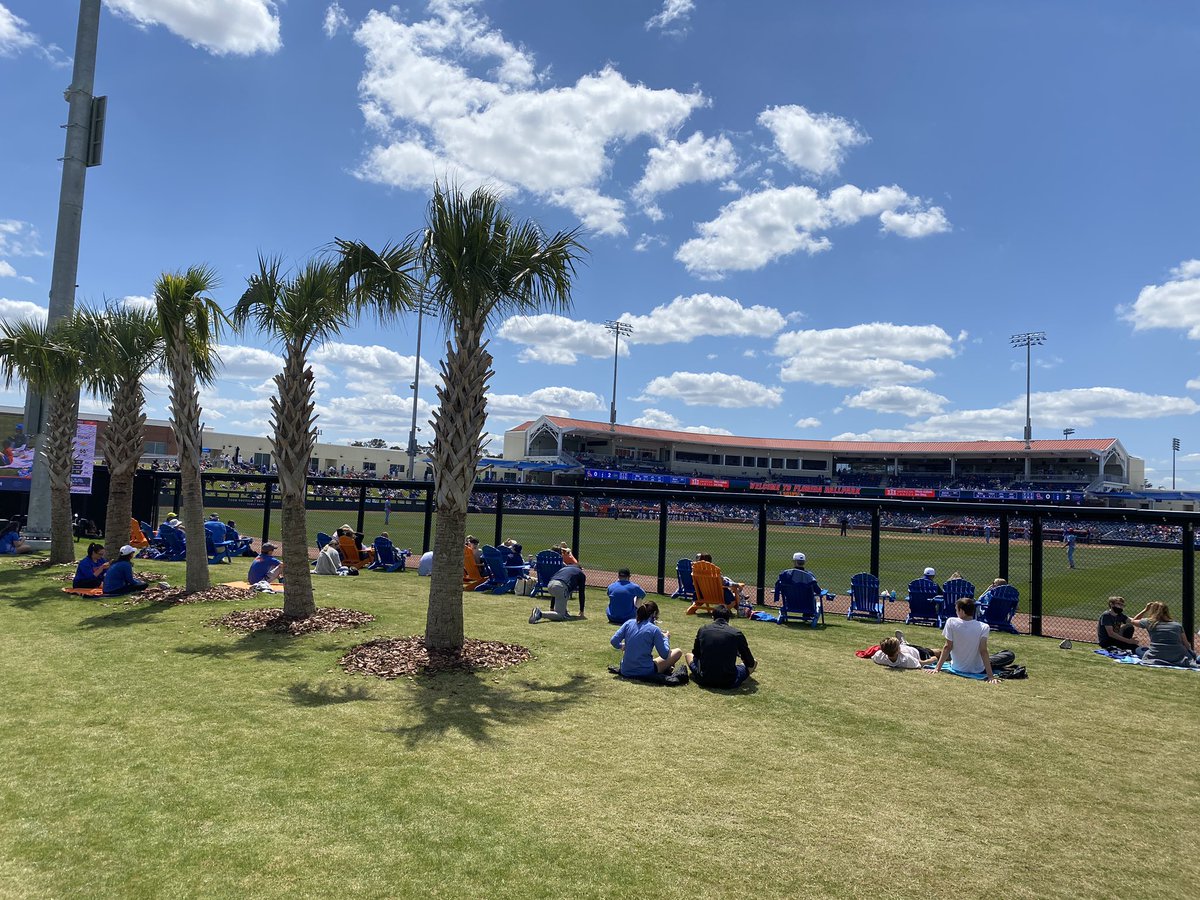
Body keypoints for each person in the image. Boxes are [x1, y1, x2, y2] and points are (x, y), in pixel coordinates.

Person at [687, 603, 757, 688]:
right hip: (728, 681)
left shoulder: (703, 630)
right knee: (754, 662)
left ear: (713, 617)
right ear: (728, 619)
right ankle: (741, 679)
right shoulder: (736, 633)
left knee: (688, 655)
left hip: (704, 678)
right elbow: (750, 662)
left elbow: (696, 654)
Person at [929, 598, 998, 683]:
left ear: (961, 611)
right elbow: (983, 651)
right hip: (977, 669)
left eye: (956, 610)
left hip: (957, 667)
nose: (956, 612)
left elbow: (947, 647)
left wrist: (937, 668)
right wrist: (990, 676)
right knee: (1008, 655)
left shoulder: (951, 622)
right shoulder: (984, 627)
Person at [610, 600, 683, 678]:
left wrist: (622, 645)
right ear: (654, 614)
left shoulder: (629, 623)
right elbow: (664, 655)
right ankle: (667, 668)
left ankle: (666, 668)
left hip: (625, 669)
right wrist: (666, 639)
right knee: (678, 652)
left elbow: (614, 641)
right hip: (644, 671)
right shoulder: (654, 629)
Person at [1130, 602, 1197, 667]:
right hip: (1177, 657)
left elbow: (1133, 621)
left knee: (1139, 650)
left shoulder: (1149, 622)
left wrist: (1145, 610)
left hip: (1155, 655)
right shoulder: (1177, 625)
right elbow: (1186, 645)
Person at [872, 634, 937, 669]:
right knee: (937, 652)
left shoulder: (879, 656)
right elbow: (921, 663)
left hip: (907, 648)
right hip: (919, 652)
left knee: (905, 646)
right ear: (898, 651)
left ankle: (903, 643)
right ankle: (903, 643)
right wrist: (933, 659)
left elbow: (874, 657)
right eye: (899, 646)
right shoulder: (906, 659)